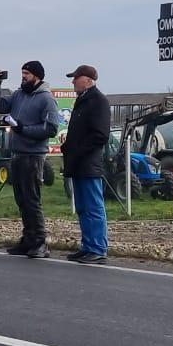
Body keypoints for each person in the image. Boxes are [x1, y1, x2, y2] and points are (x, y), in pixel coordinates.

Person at [0, 61, 62, 257]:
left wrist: (22, 129)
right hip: (17, 153)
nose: (23, 77)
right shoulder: (18, 95)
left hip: (33, 155)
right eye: (22, 73)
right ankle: (28, 239)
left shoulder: (46, 99)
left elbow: (51, 128)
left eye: (27, 74)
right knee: (21, 199)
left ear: (37, 76)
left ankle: (40, 242)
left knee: (32, 199)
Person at [60, 65, 112, 264]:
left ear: (89, 80)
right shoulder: (83, 101)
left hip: (88, 163)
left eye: (76, 78)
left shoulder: (98, 101)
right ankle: (88, 245)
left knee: (93, 207)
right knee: (82, 206)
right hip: (78, 163)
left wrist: (78, 150)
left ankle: (98, 248)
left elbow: (100, 135)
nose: (73, 81)